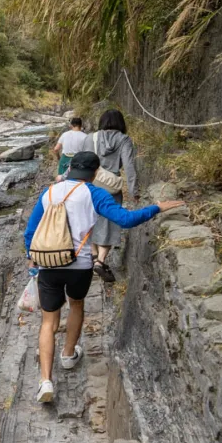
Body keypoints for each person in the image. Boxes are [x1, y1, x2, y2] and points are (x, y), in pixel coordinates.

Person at [23, 151, 184, 403]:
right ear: (96, 172)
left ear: (70, 167)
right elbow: (125, 219)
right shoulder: (94, 193)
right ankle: (68, 355)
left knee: (48, 322)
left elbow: (30, 231)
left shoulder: (50, 192)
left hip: (48, 265)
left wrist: (31, 258)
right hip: (79, 265)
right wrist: (157, 207)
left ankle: (45, 381)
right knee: (76, 304)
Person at [89, 109, 139, 283]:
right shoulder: (124, 140)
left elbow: (81, 161)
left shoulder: (92, 138)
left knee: (91, 220)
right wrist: (134, 191)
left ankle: (94, 256)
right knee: (108, 224)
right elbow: (129, 167)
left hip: (90, 185)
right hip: (111, 188)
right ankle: (100, 262)